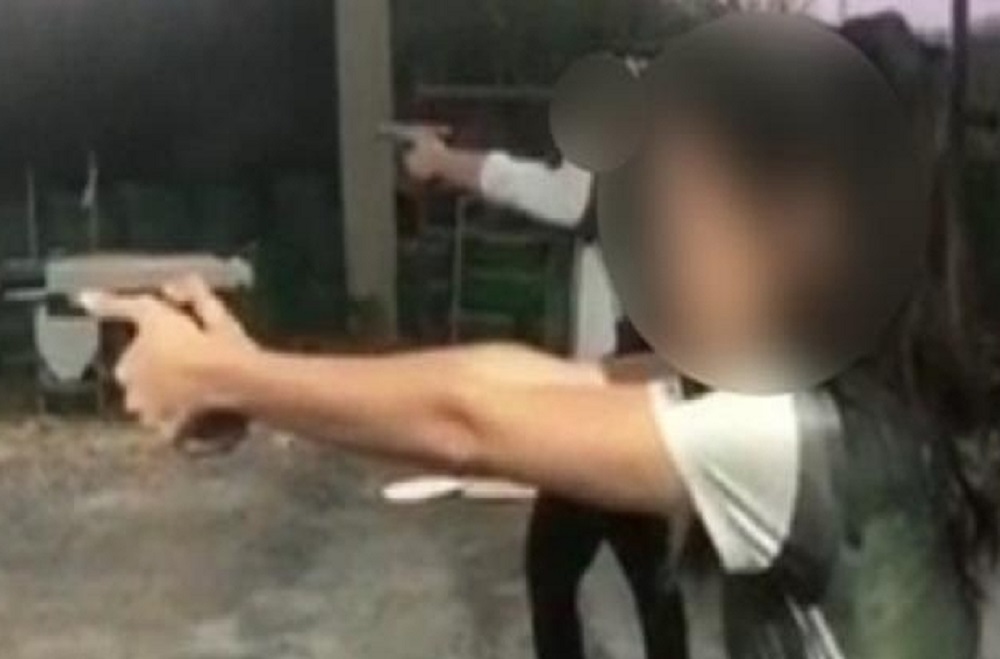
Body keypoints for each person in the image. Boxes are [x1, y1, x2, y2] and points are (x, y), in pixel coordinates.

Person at [81, 13, 996, 658]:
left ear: (805, 229)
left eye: (685, 219)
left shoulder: (791, 433)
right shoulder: (841, 389)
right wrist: (246, 371)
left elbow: (471, 422)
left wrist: (228, 379)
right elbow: (534, 381)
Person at [401, 131, 685, 659]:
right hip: (631, 396)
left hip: (605, 406)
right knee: (645, 572)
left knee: (558, 568)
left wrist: (443, 161)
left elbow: (558, 195)